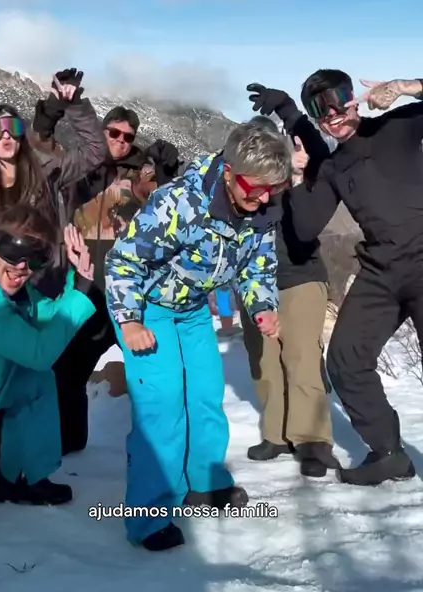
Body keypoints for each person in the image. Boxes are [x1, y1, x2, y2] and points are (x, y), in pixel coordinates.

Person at [104, 121, 291, 551]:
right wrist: (130, 321)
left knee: (205, 392)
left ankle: (205, 483)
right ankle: (149, 515)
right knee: (163, 403)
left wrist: (262, 305)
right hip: (147, 307)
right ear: (228, 171)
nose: (264, 198)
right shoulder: (181, 204)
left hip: (190, 309)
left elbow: (258, 264)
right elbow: (123, 261)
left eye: (272, 189)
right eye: (255, 188)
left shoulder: (260, 210)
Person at [0, 67, 108, 487]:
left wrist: (73, 105)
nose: (6, 136)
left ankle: (26, 475)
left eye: (13, 128)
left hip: (38, 292)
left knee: (34, 382)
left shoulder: (46, 175)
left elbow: (95, 153)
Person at [290, 70, 423, 486]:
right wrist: (298, 177)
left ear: (352, 98)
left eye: (336, 101)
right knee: (345, 359)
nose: (331, 115)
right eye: (319, 110)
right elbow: (305, 228)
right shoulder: (332, 166)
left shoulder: (396, 126)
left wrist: (407, 88)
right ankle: (388, 453)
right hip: (381, 272)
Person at [32, 100, 181, 452]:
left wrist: (166, 171)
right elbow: (42, 157)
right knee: (69, 368)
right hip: (83, 285)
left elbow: (162, 194)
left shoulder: (138, 172)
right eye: (114, 133)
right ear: (102, 131)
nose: (120, 141)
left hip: (129, 290)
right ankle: (69, 442)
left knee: (149, 369)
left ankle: (162, 444)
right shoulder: (80, 165)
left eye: (128, 137)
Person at [0, 204, 96, 504]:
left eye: (35, 258)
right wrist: (80, 291)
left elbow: (46, 317)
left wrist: (77, 279)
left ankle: (21, 477)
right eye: (14, 252)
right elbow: (39, 351)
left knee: (34, 382)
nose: (22, 267)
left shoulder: (1, 286)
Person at [239, 90, 337, 478]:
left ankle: (312, 440)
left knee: (301, 357)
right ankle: (276, 434)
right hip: (254, 283)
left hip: (300, 276)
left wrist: (289, 111)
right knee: (264, 360)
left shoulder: (301, 171)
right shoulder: (245, 183)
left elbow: (323, 156)